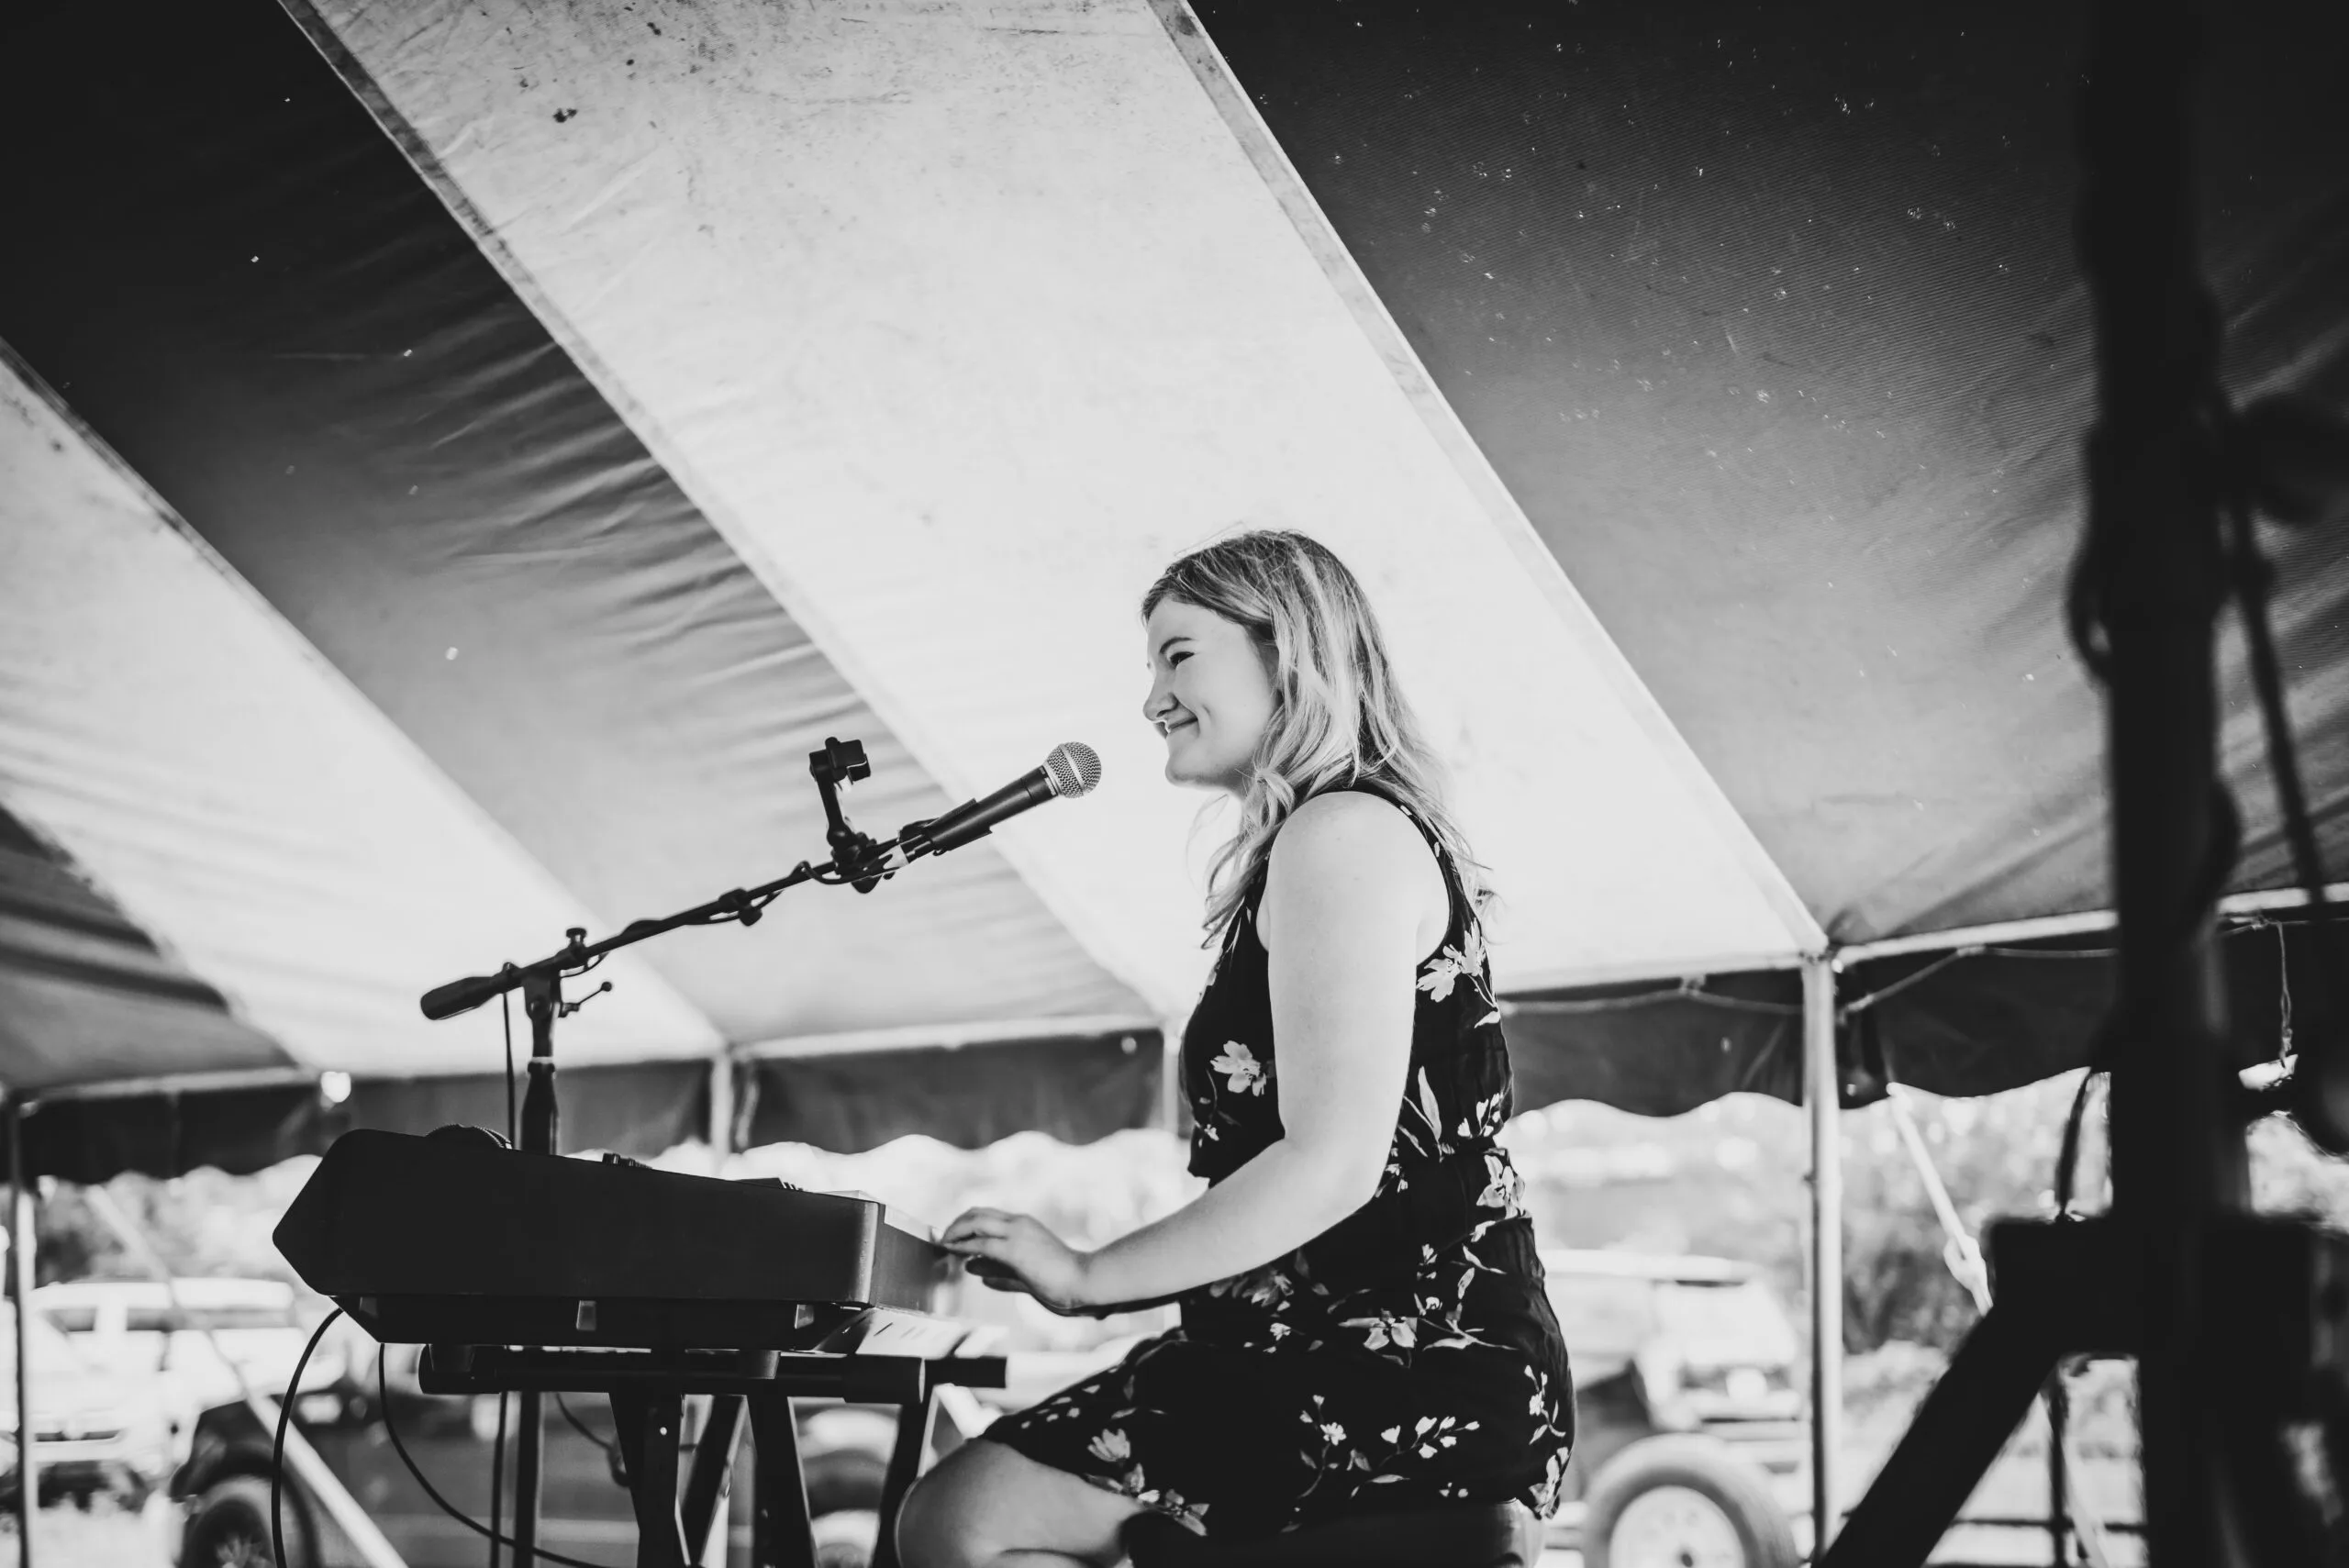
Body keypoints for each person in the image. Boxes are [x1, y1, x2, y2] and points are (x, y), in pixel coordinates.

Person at [896, 531, 1573, 1567]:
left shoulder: (1341, 834)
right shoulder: (1336, 835)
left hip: (1394, 1365)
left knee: (962, 1519)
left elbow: (1331, 1161)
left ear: (1287, 652)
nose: (1151, 700)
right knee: (961, 1514)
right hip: (1323, 1342)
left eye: (1179, 656)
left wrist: (1086, 1273)